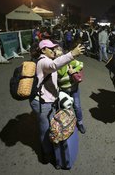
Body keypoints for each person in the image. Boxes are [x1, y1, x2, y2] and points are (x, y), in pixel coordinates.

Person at [29, 39, 84, 168]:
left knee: (52, 127)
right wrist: (71, 54)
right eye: (51, 48)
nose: (54, 50)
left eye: (55, 48)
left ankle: (54, 151)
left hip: (49, 100)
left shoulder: (49, 60)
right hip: (42, 102)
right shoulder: (43, 61)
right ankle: (47, 155)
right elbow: (54, 66)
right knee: (46, 129)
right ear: (43, 50)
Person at [55, 45, 86, 134]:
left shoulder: (69, 61)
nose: (58, 54)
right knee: (65, 108)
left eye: (59, 51)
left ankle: (80, 123)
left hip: (74, 88)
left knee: (77, 106)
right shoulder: (54, 65)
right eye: (56, 52)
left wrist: (74, 70)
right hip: (63, 91)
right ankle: (67, 124)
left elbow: (81, 64)